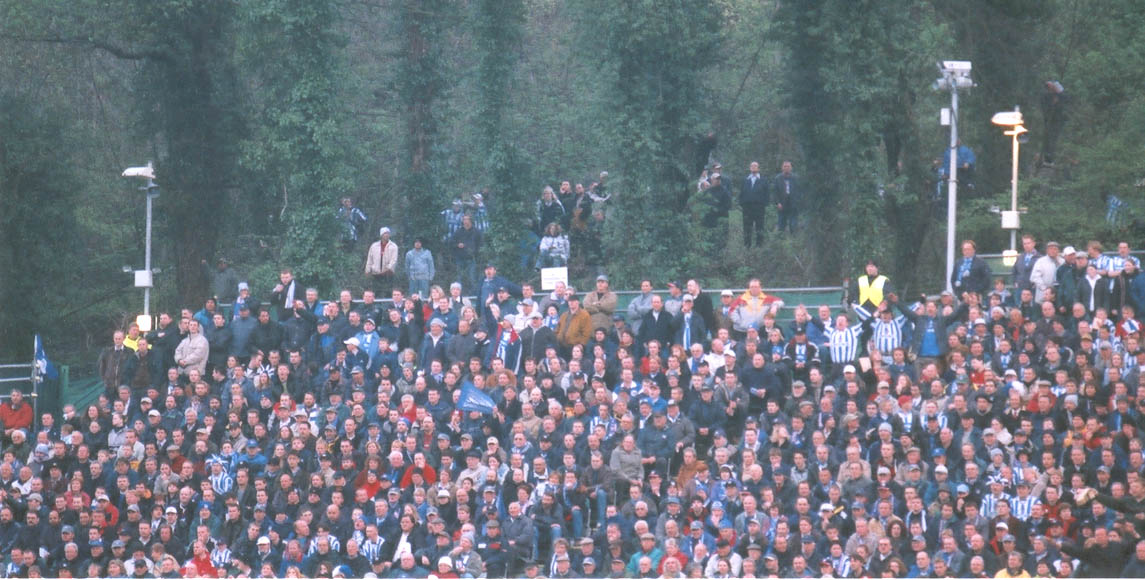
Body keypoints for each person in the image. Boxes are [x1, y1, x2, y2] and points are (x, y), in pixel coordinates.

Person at [740, 161, 769, 248]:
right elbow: (741, 193)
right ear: (749, 168)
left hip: (759, 208)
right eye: (752, 166)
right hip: (747, 208)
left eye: (755, 166)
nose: (753, 168)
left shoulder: (763, 180)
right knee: (747, 227)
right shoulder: (745, 180)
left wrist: (763, 204)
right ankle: (747, 246)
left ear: (758, 168)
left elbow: (767, 194)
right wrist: (742, 203)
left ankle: (759, 246)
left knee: (759, 227)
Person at [450, 215, 482, 294]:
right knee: (459, 278)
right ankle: (459, 295)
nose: (465, 221)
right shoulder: (458, 231)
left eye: (467, 219)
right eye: (464, 219)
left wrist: (475, 253)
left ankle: (474, 296)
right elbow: (451, 243)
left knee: (472, 278)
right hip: (460, 258)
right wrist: (458, 245)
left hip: (471, 258)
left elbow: (480, 244)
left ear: (471, 220)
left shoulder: (476, 231)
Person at [364, 227, 399, 295]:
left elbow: (394, 260)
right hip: (376, 274)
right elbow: (370, 259)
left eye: (388, 233)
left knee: (388, 292)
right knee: (376, 292)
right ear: (381, 235)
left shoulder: (393, 246)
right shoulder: (374, 246)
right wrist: (367, 270)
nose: (386, 235)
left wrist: (387, 269)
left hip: (388, 274)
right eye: (384, 233)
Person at [1040, 80, 1067, 166]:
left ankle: (1051, 158)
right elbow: (1045, 109)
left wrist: (1058, 94)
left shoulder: (1059, 94)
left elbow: (1065, 97)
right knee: (1048, 139)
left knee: (1054, 138)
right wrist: (1053, 104)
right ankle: (1048, 159)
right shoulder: (1046, 96)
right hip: (1049, 120)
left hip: (1058, 119)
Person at [773, 160, 801, 233]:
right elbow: (775, 192)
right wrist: (778, 202)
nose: (786, 168)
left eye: (788, 166)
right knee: (781, 224)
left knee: (793, 224)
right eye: (785, 166)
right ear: (782, 168)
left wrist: (798, 201)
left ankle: (793, 241)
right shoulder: (777, 178)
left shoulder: (796, 178)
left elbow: (799, 191)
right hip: (782, 204)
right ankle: (780, 240)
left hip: (793, 203)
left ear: (791, 168)